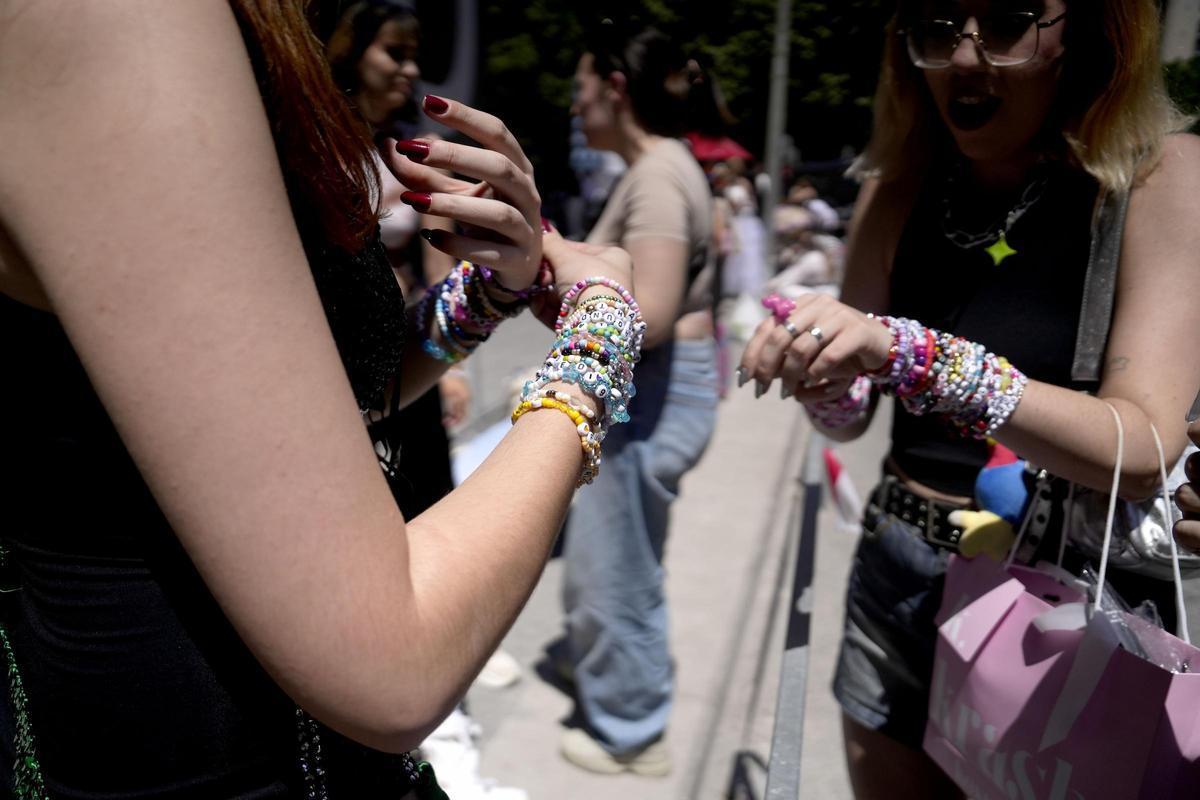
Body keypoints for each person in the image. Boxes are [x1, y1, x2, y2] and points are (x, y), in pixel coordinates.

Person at [0, 2, 637, 797]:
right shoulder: (126, 21)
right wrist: (604, 324)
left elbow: (309, 409)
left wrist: (488, 296)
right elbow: (394, 659)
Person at [738, 1, 1200, 798]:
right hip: (894, 565)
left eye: (1010, 19)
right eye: (936, 24)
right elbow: (851, 419)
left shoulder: (1160, 175)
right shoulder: (899, 188)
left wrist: (915, 354)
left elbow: (1141, 446)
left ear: (1084, 31)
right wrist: (822, 375)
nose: (964, 56)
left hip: (1054, 601)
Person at [555, 26, 719, 777]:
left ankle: (632, 731)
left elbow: (644, 313)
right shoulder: (661, 167)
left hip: (651, 391)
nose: (574, 103)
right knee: (619, 556)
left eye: (582, 87)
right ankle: (629, 705)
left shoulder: (655, 173)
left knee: (614, 563)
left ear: (616, 89)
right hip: (660, 389)